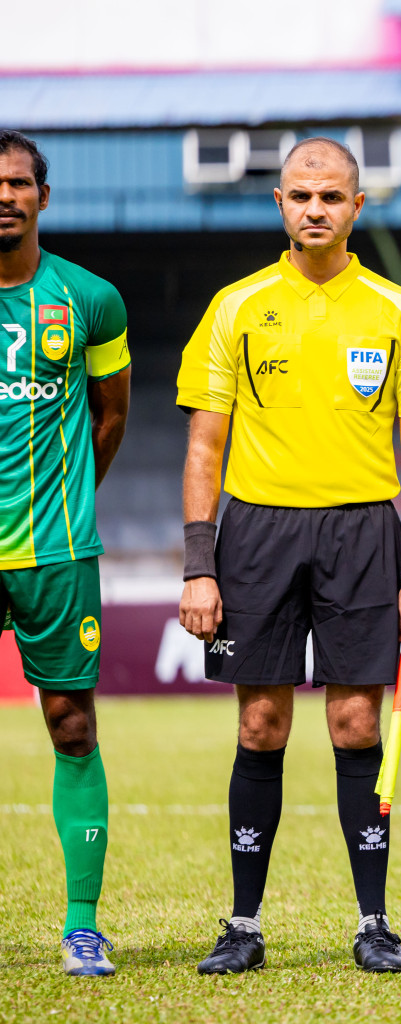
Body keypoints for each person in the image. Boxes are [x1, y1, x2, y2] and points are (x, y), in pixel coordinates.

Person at [175, 137, 401, 975]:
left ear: (357, 207)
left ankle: (374, 922)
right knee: (260, 723)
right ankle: (243, 926)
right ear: (280, 204)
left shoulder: (398, 310)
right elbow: (204, 446)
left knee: (355, 723)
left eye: (331, 196)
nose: (315, 209)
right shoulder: (235, 306)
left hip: (365, 534)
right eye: (300, 195)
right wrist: (199, 562)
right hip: (257, 533)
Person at [0, 130, 131, 976]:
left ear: (44, 196)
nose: (3, 195)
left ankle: (82, 923)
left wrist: (69, 505)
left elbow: (110, 415)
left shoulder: (91, 299)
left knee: (71, 723)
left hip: (55, 551)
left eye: (17, 182)